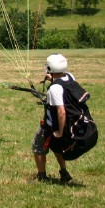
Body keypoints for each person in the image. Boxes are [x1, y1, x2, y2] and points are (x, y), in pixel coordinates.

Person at [31, 53, 74, 184]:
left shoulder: (54, 89)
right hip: (68, 122)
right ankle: (63, 172)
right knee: (57, 148)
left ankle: (42, 176)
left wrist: (59, 131)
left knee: (37, 146)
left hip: (53, 124)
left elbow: (60, 111)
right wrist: (52, 78)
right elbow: (61, 80)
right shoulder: (70, 77)